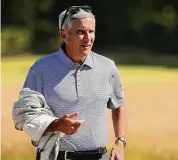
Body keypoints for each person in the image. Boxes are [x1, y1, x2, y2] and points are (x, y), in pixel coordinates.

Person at [13, 5, 126, 160]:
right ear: (64, 35)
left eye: (91, 31)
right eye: (81, 32)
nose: (88, 38)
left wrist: (120, 142)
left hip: (101, 157)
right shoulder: (41, 69)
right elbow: (23, 115)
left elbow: (118, 106)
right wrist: (57, 125)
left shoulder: (107, 67)